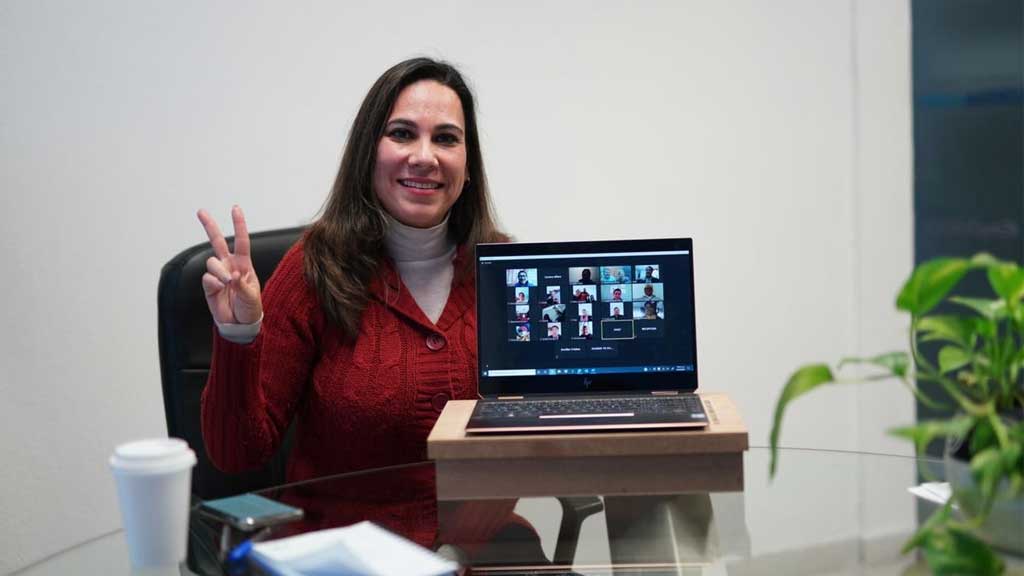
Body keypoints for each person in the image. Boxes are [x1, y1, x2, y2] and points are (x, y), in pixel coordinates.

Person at [196, 58, 522, 553]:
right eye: (402, 133)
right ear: (368, 152)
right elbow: (238, 454)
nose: (424, 157)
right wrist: (239, 336)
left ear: (469, 164)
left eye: (446, 139)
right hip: (344, 555)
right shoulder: (314, 269)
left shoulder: (506, 271)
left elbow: (529, 438)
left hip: (482, 551)